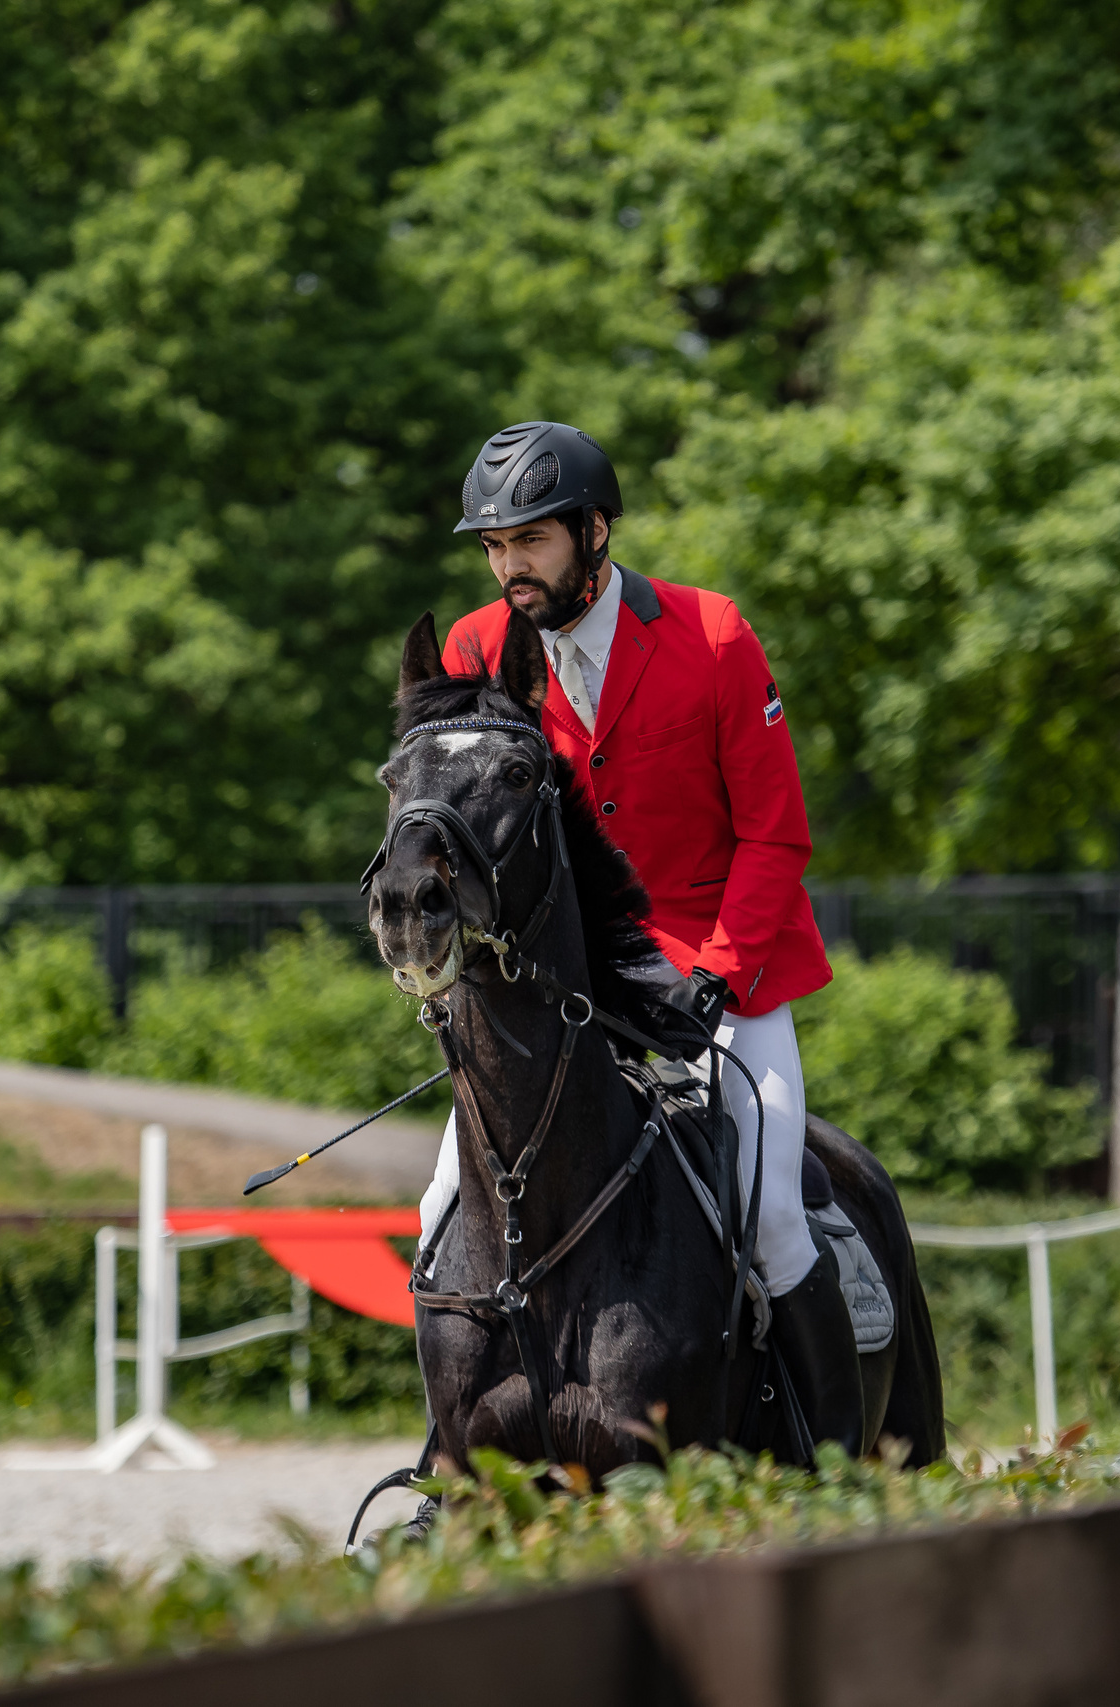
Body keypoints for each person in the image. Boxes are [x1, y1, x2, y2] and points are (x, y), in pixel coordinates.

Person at [417, 420, 842, 1407]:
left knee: (772, 1214)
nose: (508, 569)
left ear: (594, 531)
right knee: (442, 1210)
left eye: (530, 542)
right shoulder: (474, 649)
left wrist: (714, 978)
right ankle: (446, 1470)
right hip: (560, 986)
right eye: (493, 548)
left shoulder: (713, 635)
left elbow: (775, 837)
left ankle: (838, 1460)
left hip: (717, 971)